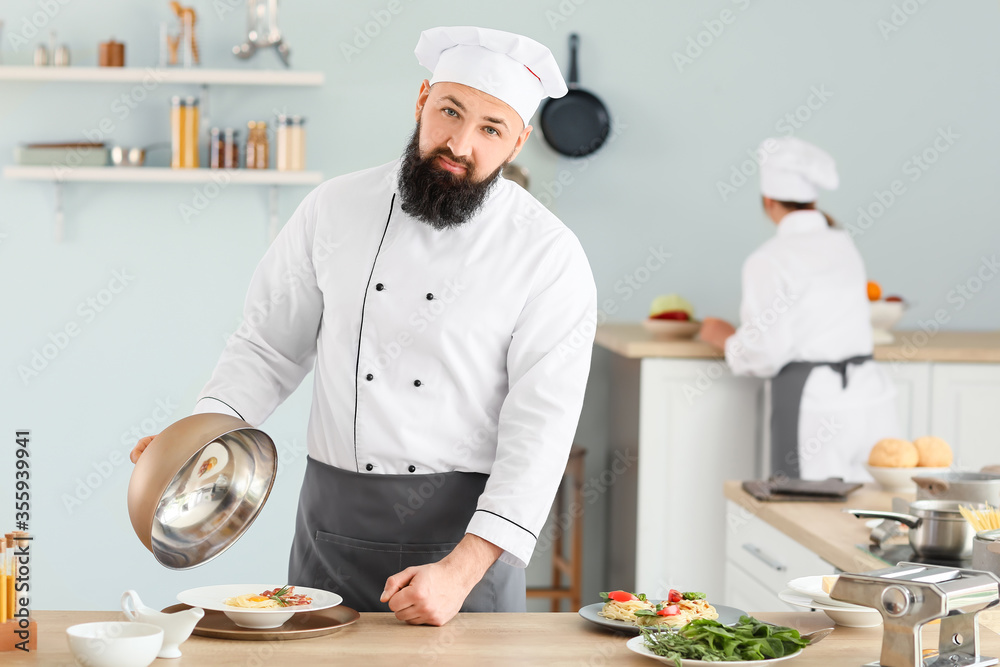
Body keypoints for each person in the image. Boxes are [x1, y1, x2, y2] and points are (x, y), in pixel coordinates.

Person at [130, 25, 596, 626]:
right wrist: (199, 438)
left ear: (519, 142)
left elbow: (543, 427)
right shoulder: (333, 208)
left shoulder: (547, 254)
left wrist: (462, 568)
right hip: (331, 532)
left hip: (464, 548)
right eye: (449, 111)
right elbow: (267, 346)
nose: (458, 143)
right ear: (422, 98)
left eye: (490, 129)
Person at [700, 137, 900, 482]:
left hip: (816, 409)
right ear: (814, 198)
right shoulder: (844, 245)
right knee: (870, 519)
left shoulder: (768, 259)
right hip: (872, 399)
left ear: (768, 201)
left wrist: (723, 337)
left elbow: (764, 354)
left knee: (804, 517)